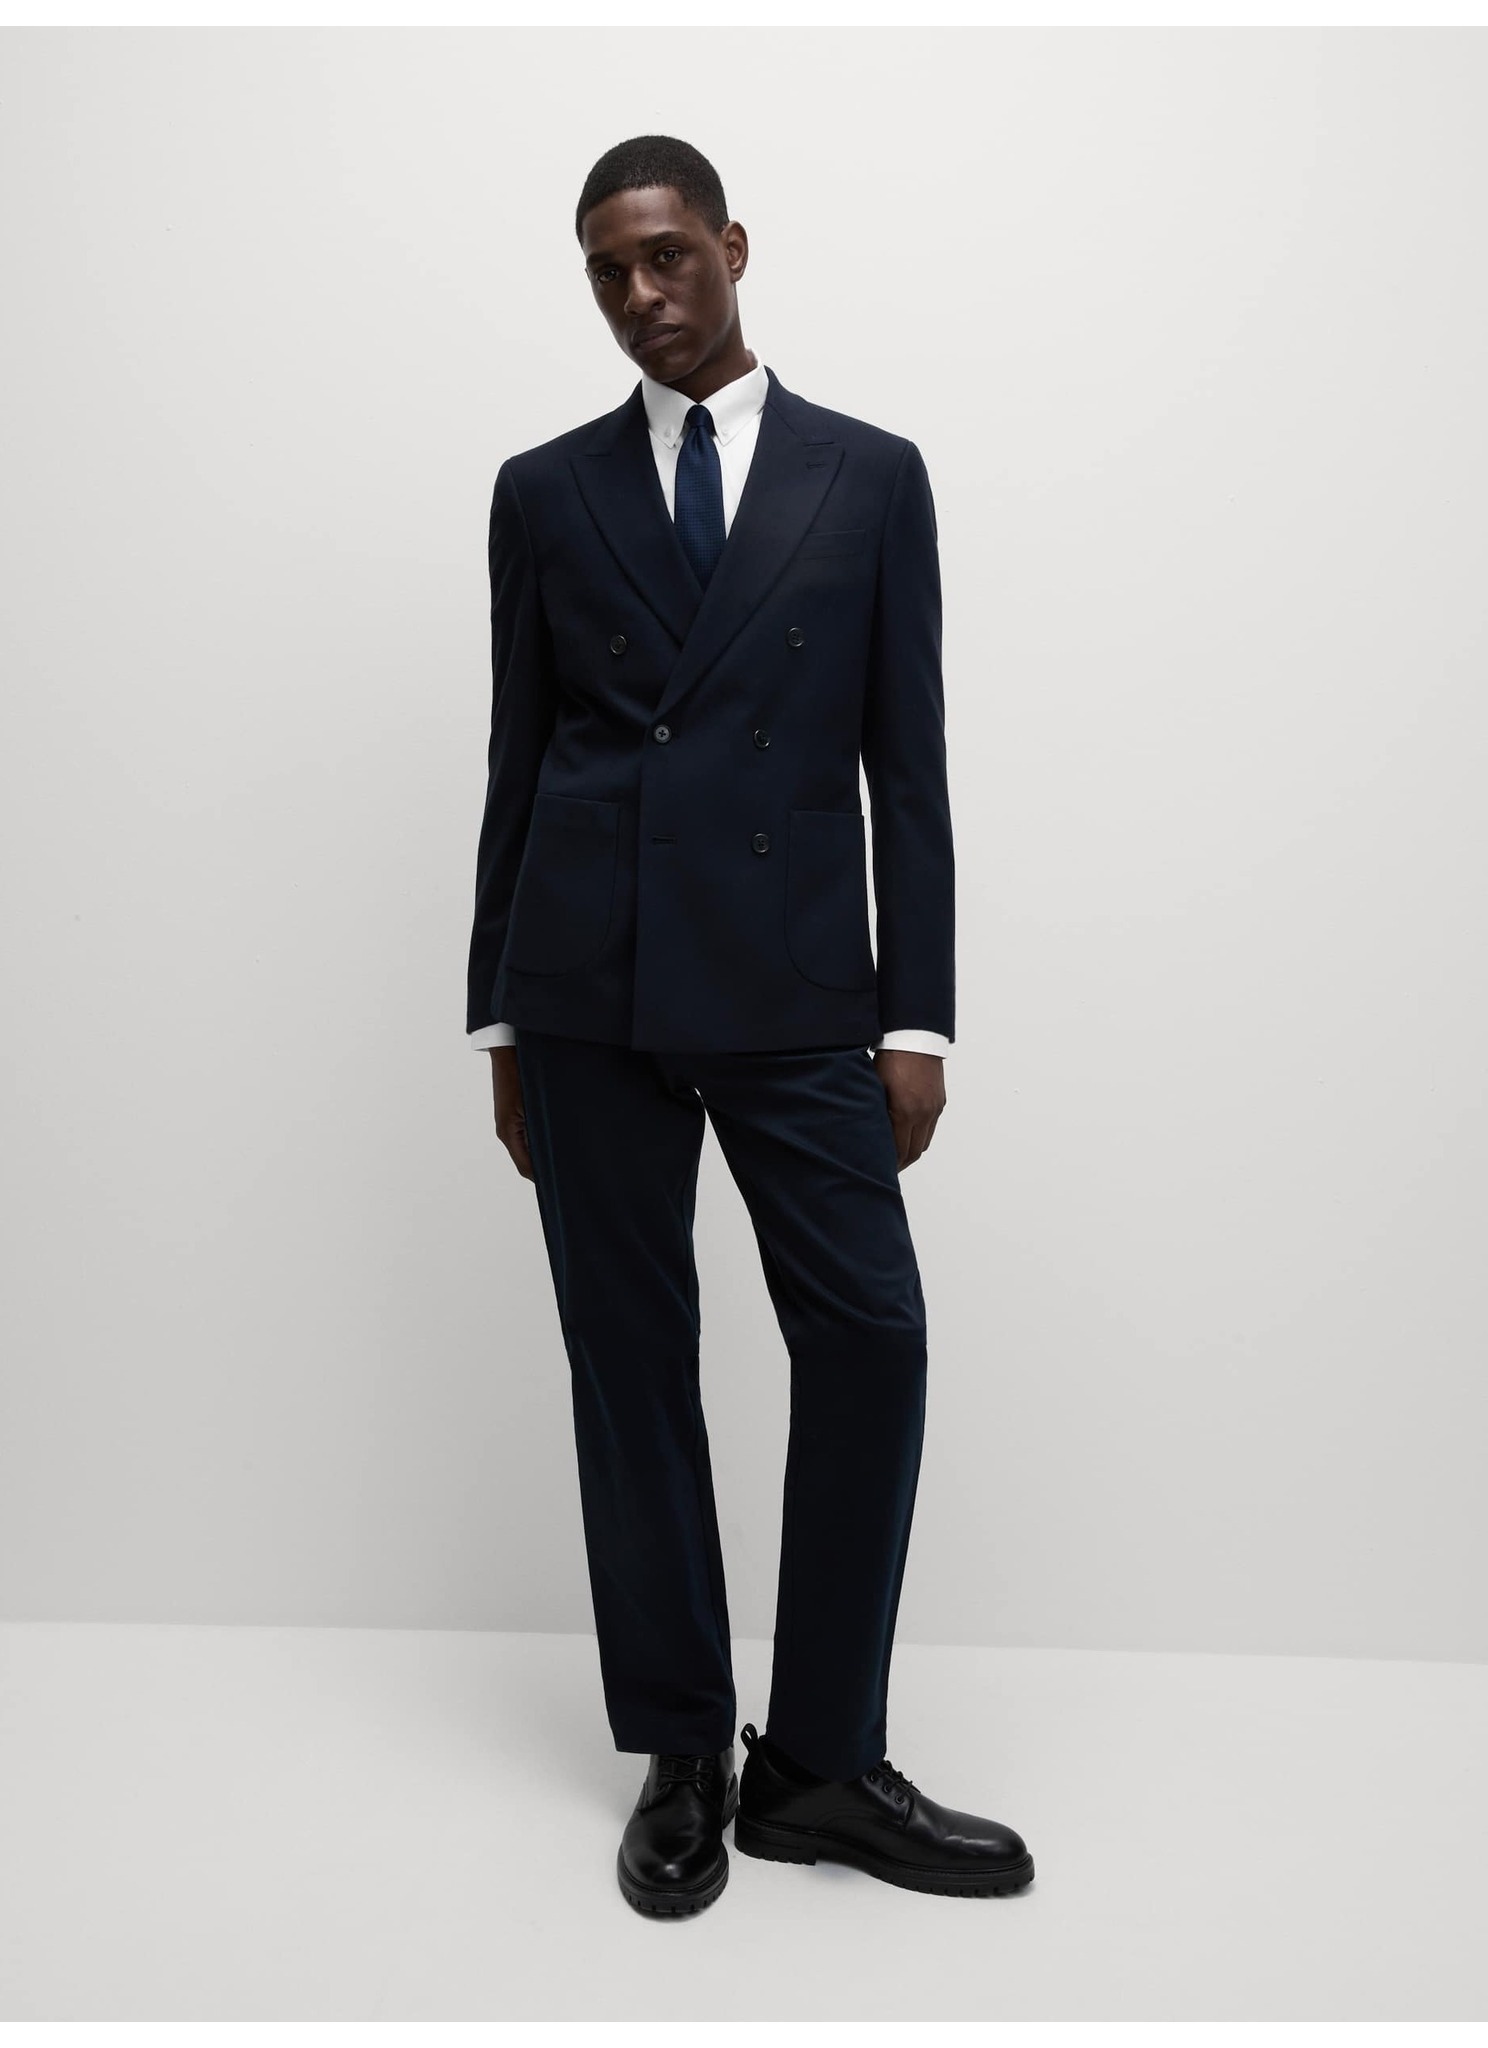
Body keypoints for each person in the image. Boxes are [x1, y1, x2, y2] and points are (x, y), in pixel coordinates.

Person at [466, 133, 1034, 1917]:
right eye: (606, 272)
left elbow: (907, 766)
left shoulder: (870, 476)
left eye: (666, 256)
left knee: (869, 1339)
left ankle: (825, 1764)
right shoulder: (546, 490)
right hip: (590, 989)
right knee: (631, 1370)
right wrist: (499, 1024)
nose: (641, 294)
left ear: (730, 243)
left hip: (798, 991)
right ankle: (686, 1749)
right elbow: (517, 761)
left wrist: (917, 1018)